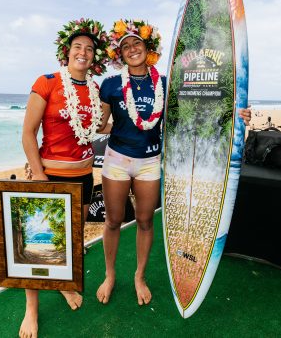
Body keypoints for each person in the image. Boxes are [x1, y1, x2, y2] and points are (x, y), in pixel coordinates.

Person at [96, 20, 250, 306]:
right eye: (125, 46)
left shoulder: (166, 84)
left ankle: (139, 276)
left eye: (136, 44)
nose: (132, 49)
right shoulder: (111, 85)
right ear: (120, 54)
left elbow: (195, 113)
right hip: (116, 159)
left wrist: (236, 114)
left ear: (148, 48)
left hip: (150, 162)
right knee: (114, 220)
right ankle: (110, 274)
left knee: (144, 221)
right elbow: (101, 124)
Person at [21, 18, 109, 338]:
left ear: (94, 57)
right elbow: (28, 133)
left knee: (71, 240)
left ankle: (63, 285)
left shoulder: (96, 89)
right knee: (37, 244)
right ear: (66, 52)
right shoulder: (46, 82)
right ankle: (31, 310)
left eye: (89, 48)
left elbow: (100, 127)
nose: (83, 52)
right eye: (77, 47)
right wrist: (40, 175)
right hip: (51, 174)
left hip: (84, 176)